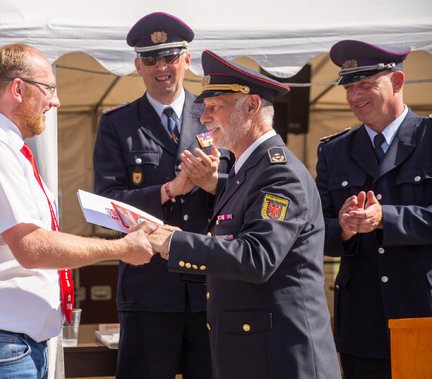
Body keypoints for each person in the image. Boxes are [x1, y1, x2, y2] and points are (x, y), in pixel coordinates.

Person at [0, 43, 155, 378]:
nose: (56, 101)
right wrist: (121, 249)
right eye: (49, 89)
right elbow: (31, 247)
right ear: (18, 89)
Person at [148, 50, 342, 378]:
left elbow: (256, 257)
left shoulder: (278, 174)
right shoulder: (246, 170)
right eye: (205, 109)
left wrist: (175, 243)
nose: (205, 118)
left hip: (280, 358)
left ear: (251, 107)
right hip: (253, 354)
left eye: (214, 108)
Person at [93, 12, 234, 379]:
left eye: (170, 57)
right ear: (137, 65)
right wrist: (169, 190)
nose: (162, 67)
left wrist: (213, 184)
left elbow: (246, 193)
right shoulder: (116, 124)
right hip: (148, 291)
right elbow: (105, 206)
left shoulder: (215, 115)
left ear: (187, 60)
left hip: (210, 285)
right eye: (151, 59)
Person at [316, 39, 432, 378]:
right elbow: (316, 230)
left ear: (397, 83)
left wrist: (386, 219)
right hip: (361, 319)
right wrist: (346, 228)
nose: (355, 97)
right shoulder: (334, 152)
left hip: (421, 311)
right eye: (349, 87)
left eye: (365, 84)